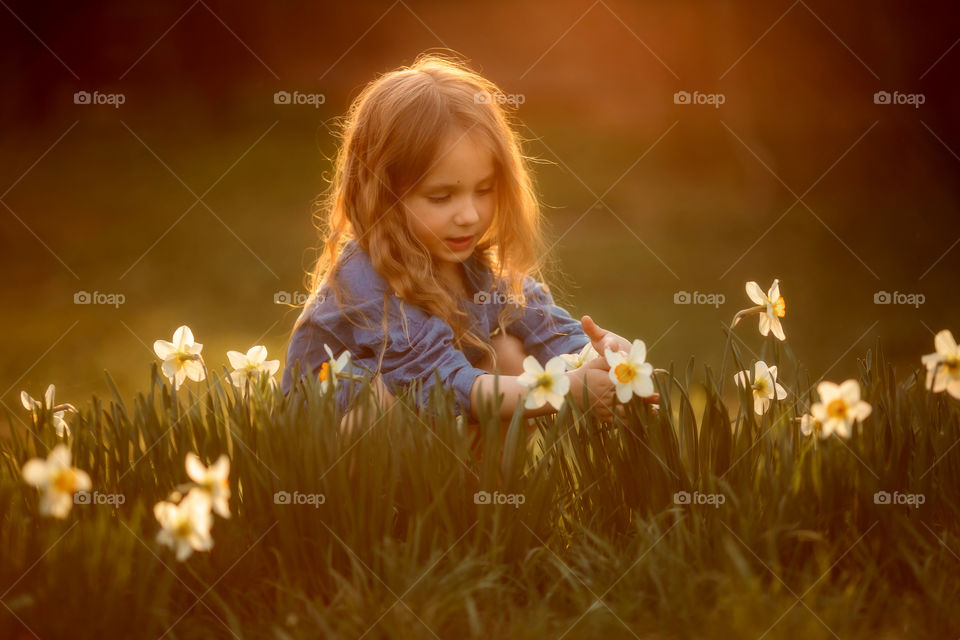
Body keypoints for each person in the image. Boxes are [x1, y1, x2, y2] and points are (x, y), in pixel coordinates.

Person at [279, 52, 657, 442]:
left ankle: (488, 484)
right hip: (325, 451)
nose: (470, 215)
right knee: (388, 399)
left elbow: (549, 331)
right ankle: (393, 489)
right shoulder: (364, 278)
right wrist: (561, 392)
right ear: (382, 195)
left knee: (507, 353)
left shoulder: (476, 269)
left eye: (484, 190)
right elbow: (439, 383)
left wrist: (597, 356)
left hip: (424, 442)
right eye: (441, 197)